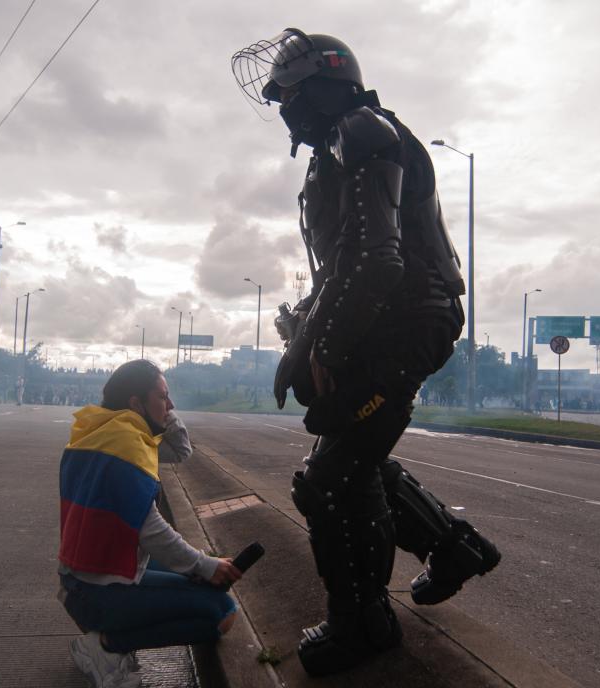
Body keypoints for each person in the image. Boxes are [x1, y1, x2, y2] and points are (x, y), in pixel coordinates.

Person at [232, 30, 501, 676]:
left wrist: (324, 342)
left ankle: (364, 622)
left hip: (405, 323)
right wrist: (304, 333)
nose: (285, 106)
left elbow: (376, 260)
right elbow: (345, 266)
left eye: (291, 92)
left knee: (327, 483)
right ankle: (454, 546)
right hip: (389, 321)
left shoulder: (362, 130)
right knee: (356, 460)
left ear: (328, 83)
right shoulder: (335, 149)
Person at [57, 360, 240, 688]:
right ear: (135, 403)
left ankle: (107, 637)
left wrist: (159, 408)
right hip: (99, 595)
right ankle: (105, 648)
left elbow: (181, 451)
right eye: (163, 397)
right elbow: (151, 530)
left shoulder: (101, 431)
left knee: (198, 579)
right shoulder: (127, 446)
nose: (171, 406)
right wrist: (205, 564)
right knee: (222, 613)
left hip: (81, 578)